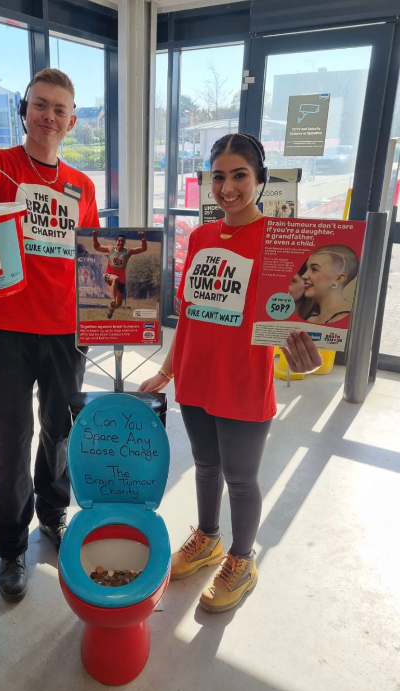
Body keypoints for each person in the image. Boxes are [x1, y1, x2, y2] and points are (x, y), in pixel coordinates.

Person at [139, 133, 322, 613]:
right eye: (218, 176)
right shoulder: (200, 236)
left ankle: (242, 561)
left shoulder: (280, 245)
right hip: (197, 377)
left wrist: (307, 352)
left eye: (240, 175)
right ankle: (208, 538)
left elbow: (296, 319)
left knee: (240, 480)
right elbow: (189, 312)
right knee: (204, 466)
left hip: (243, 380)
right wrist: (167, 369)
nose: (228, 187)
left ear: (260, 180)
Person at [0, 69, 99, 602]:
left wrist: (99, 318)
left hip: (67, 329)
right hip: (8, 327)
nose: (49, 116)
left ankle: (53, 513)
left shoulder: (84, 186)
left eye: (60, 109)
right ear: (24, 110)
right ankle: (11, 546)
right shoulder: (2, 163)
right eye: (41, 105)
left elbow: (92, 259)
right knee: (12, 438)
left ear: (72, 121)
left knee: (60, 429)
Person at [92, 232, 147, 319]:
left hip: (121, 280)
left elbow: (143, 248)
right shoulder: (110, 249)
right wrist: (95, 236)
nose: (120, 243)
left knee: (119, 304)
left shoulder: (128, 252)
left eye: (122, 241)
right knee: (115, 278)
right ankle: (112, 300)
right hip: (108, 275)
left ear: (124, 243)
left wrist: (143, 238)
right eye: (119, 241)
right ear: (116, 242)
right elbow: (97, 247)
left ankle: (111, 308)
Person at [303, 245, 359, 324]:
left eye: (314, 269)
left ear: (338, 279)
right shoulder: (312, 319)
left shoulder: (342, 319)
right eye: (307, 269)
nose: (304, 276)